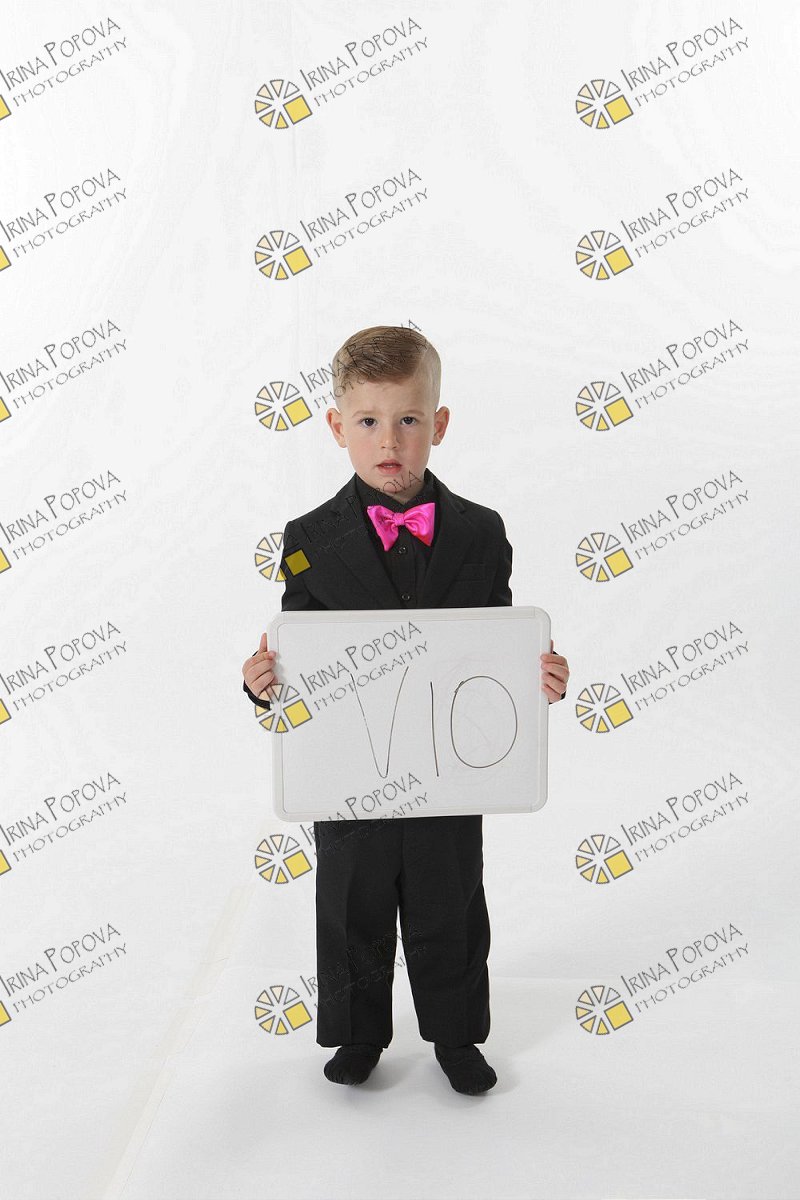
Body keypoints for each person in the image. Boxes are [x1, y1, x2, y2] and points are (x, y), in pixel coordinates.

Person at [241, 326, 570, 1094]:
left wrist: (540, 679)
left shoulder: (482, 532)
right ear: (336, 427)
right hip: (349, 771)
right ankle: (358, 1035)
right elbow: (301, 651)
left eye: (408, 420)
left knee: (449, 906)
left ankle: (456, 1036)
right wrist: (264, 684)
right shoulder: (307, 539)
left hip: (452, 765)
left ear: (439, 424)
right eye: (368, 421)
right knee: (350, 906)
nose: (389, 440)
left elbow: (496, 645)